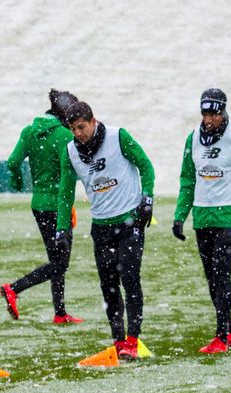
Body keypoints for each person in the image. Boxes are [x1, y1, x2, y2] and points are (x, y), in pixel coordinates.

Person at [56, 101, 155, 359]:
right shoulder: (70, 152)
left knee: (130, 278)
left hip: (129, 221)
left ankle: (133, 339)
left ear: (93, 121)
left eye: (82, 127)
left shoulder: (118, 136)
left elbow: (146, 166)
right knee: (108, 286)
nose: (78, 133)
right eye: (73, 129)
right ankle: (118, 340)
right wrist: (62, 229)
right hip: (101, 227)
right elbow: (65, 194)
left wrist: (147, 199)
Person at [172, 88, 231, 354]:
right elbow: (188, 180)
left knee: (221, 275)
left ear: (224, 111)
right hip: (203, 215)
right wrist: (180, 216)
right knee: (212, 277)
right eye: (205, 113)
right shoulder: (193, 138)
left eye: (214, 113)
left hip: (230, 215)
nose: (209, 118)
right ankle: (230, 330)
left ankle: (221, 335)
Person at [0, 89, 83, 324]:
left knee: (56, 258)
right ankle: (14, 288)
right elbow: (72, 173)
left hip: (39, 204)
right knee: (60, 262)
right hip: (59, 205)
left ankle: (60, 312)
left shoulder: (29, 132)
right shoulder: (65, 136)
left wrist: (17, 183)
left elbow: (13, 162)